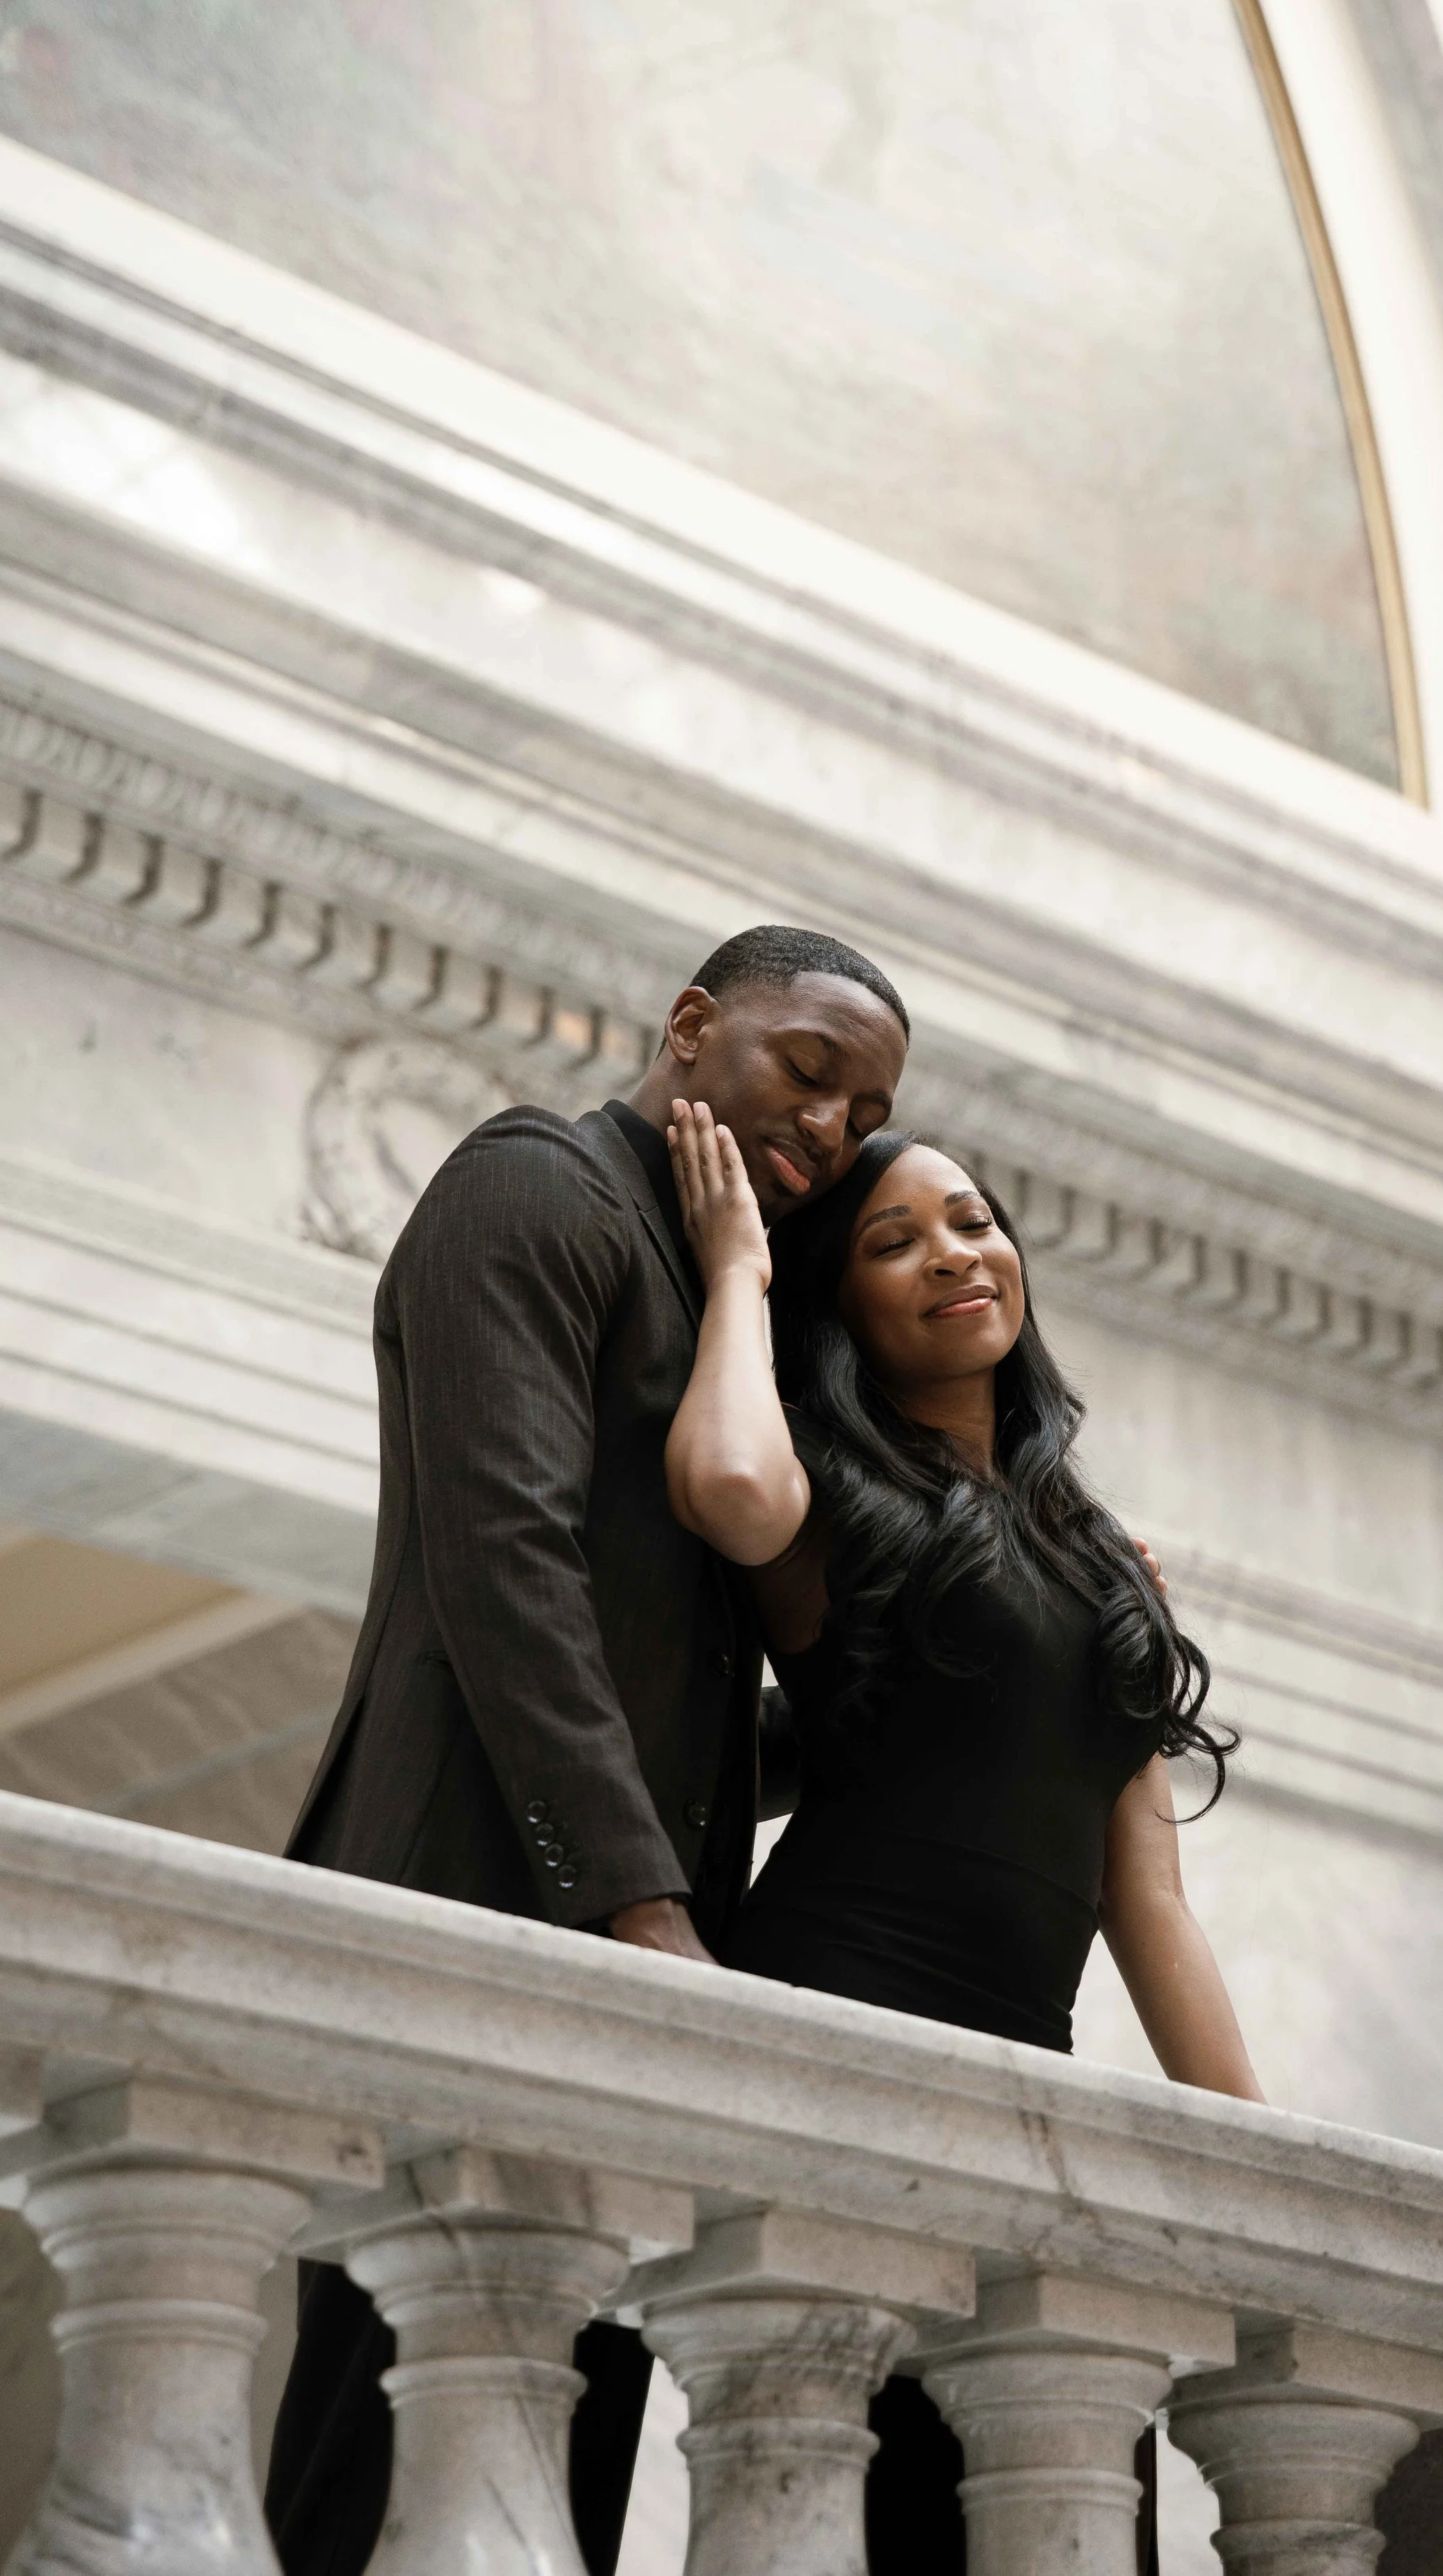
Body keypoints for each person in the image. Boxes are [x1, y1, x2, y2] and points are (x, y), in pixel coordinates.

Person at [265, 927, 910, 2576]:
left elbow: (691, 1684)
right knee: (387, 2481)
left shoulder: (726, 1289)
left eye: (867, 1109)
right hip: (465, 1898)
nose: (832, 1127)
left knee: (562, 2499)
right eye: (807, 1070)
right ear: (692, 1030)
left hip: (642, 1982)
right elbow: (505, 1564)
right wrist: (642, 1910)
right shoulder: (531, 1190)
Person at [664, 1105, 1263, 2573]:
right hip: (832, 2023)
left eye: (972, 1219)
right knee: (850, 2501)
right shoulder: (839, 1503)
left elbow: (1148, 1900)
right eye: (891, 1241)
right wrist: (740, 1271)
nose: (953, 1253)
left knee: (1053, 2499)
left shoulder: (1105, 1560)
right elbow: (729, 1488)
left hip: (1028, 2073)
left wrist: (1266, 2171)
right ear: (840, 1304)